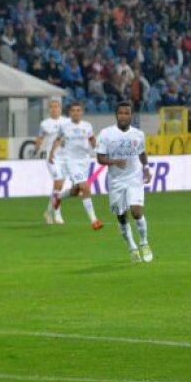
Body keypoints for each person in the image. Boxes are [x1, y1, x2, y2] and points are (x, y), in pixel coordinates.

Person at [95, 102, 152, 263]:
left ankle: (144, 242)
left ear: (131, 115)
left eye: (126, 113)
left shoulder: (138, 134)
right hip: (116, 182)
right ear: (116, 115)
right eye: (120, 113)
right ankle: (132, 247)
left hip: (134, 178)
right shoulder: (106, 134)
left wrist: (146, 168)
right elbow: (99, 158)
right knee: (121, 217)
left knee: (136, 212)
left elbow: (141, 152)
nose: (123, 116)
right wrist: (114, 161)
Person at [48, 100, 102, 230]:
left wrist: (99, 151)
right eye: (73, 111)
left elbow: (92, 140)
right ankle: (94, 220)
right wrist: (51, 153)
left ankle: (58, 197)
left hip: (84, 161)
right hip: (70, 161)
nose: (76, 113)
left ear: (82, 112)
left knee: (76, 190)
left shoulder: (87, 126)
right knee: (85, 187)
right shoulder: (64, 126)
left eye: (78, 110)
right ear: (70, 113)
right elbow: (57, 139)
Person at [34, 98, 68, 224]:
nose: (54, 109)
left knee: (59, 186)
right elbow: (40, 138)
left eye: (56, 106)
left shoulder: (67, 122)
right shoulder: (44, 124)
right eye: (52, 107)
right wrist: (36, 149)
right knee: (58, 182)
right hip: (51, 157)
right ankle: (57, 213)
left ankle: (48, 212)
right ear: (49, 109)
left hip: (64, 157)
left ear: (60, 108)